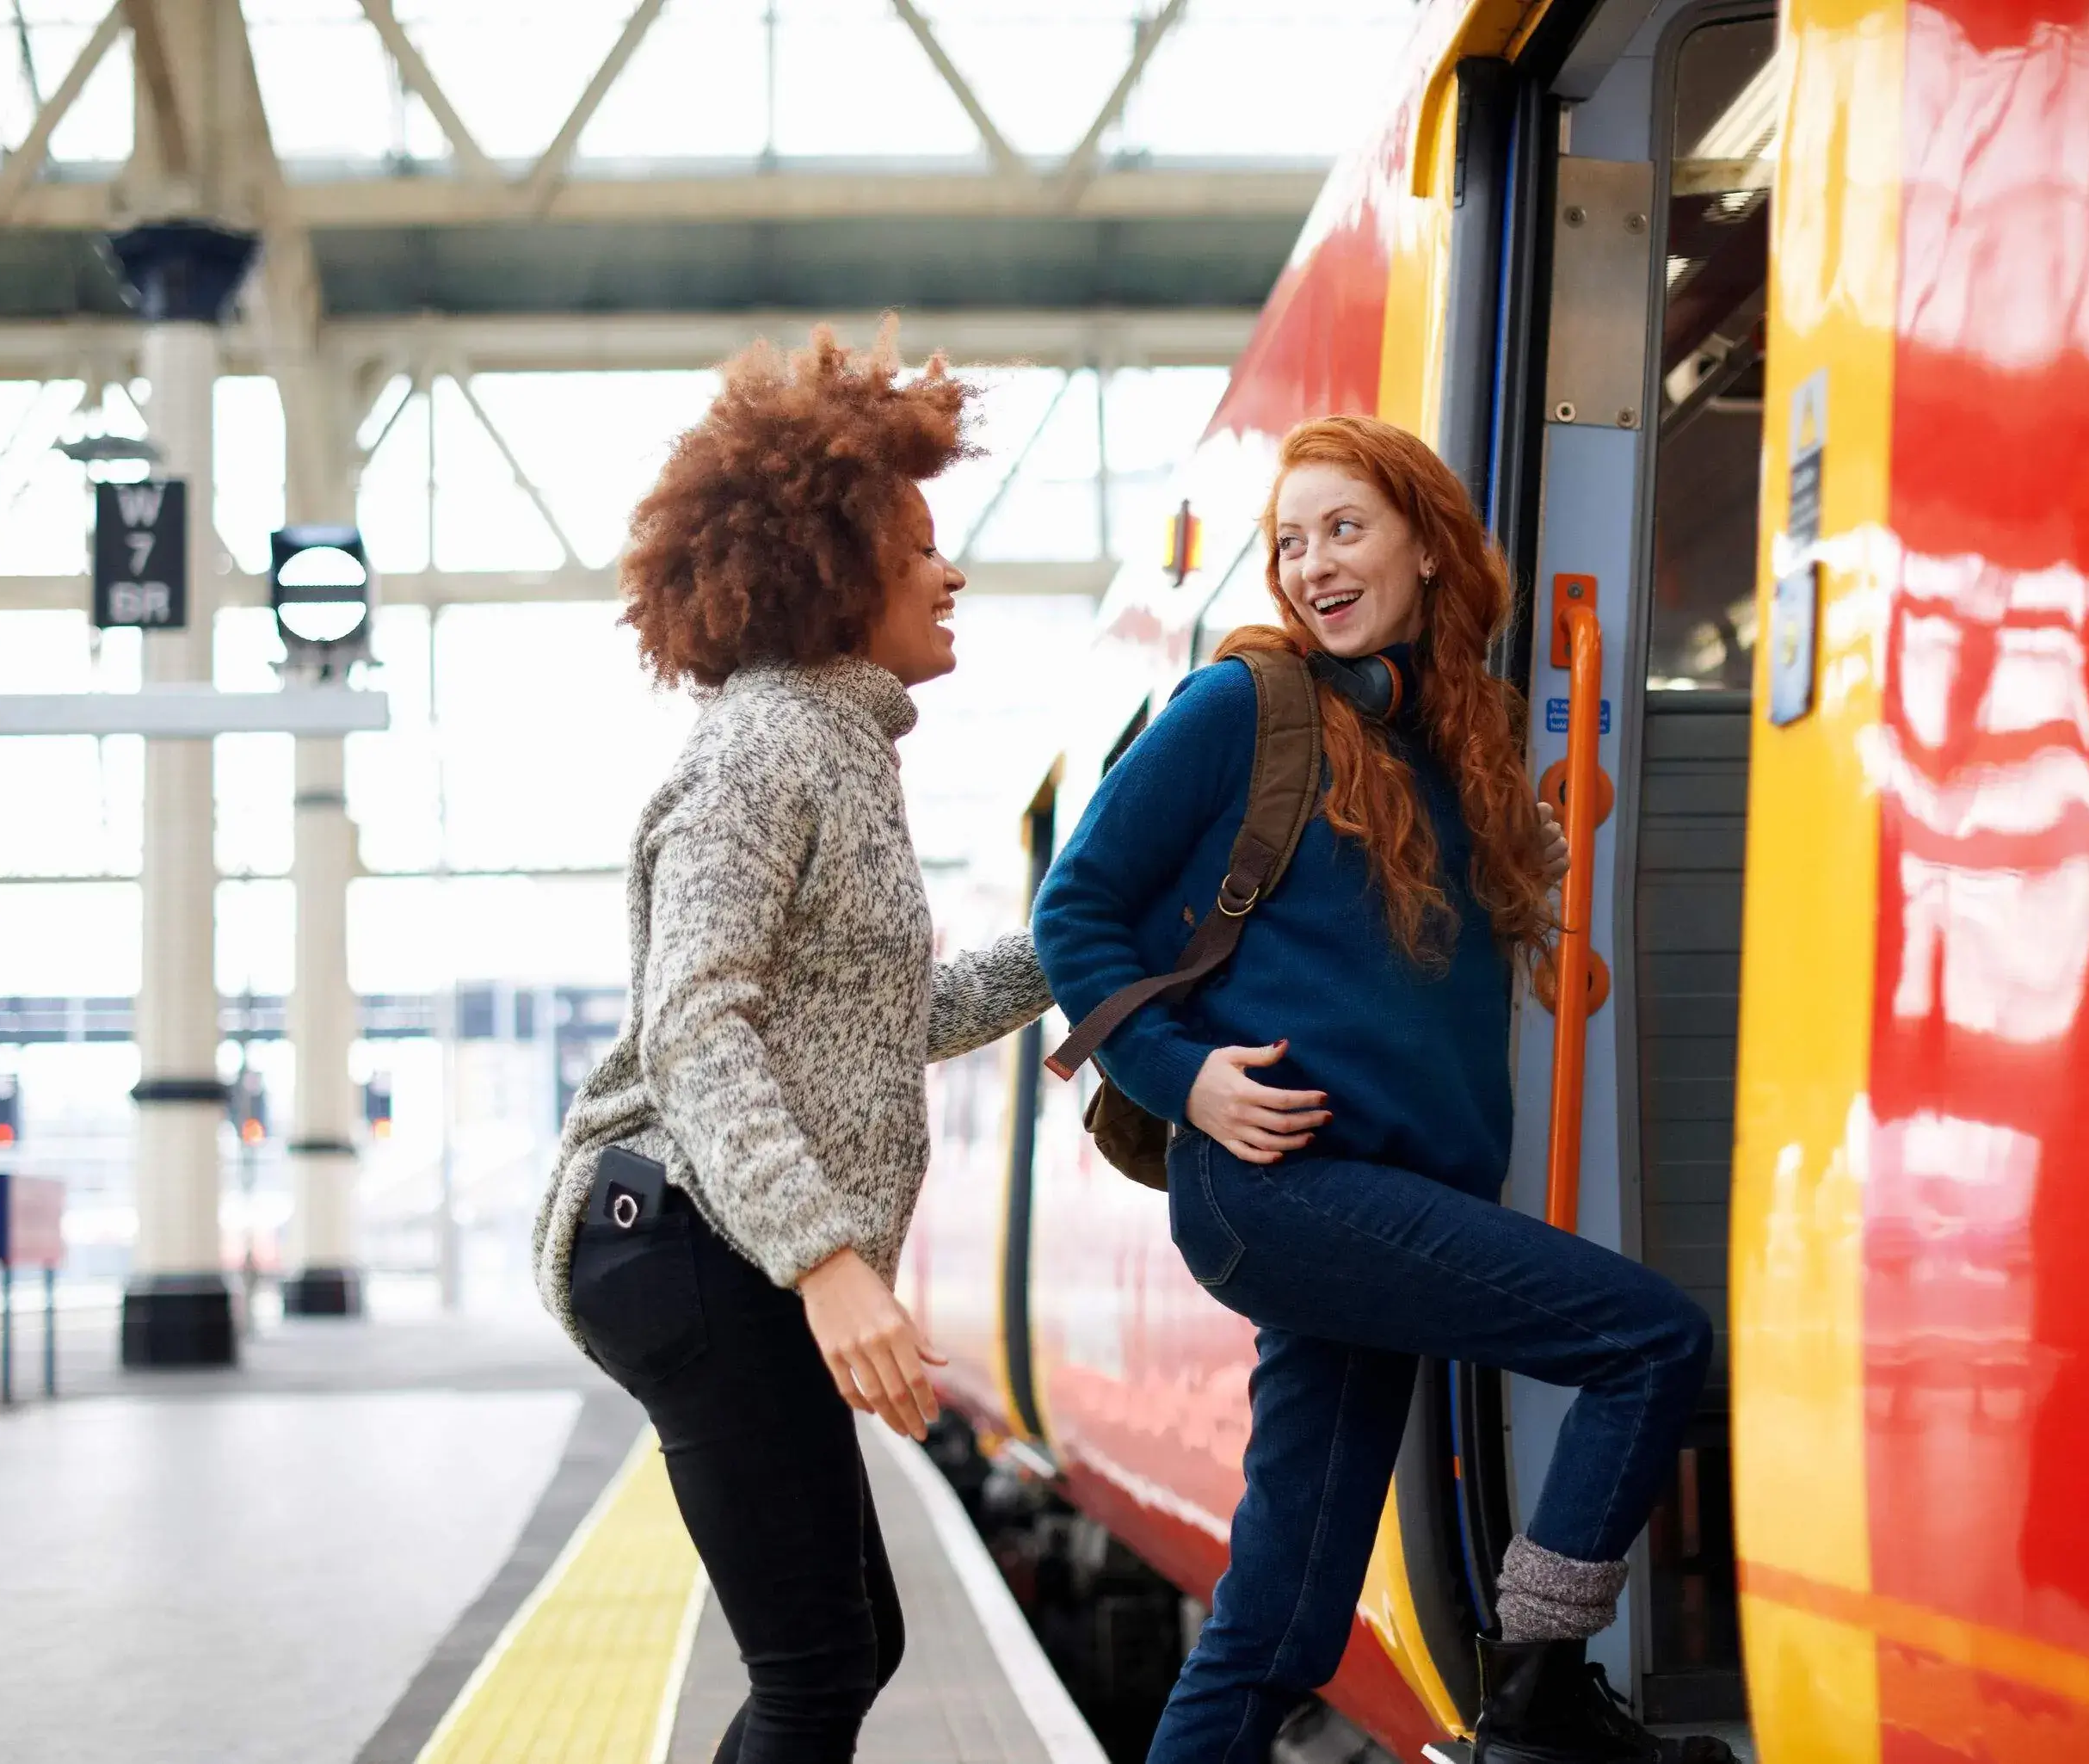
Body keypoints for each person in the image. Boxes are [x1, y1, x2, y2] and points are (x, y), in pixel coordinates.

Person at [1032, 415, 1729, 1764]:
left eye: (1342, 530)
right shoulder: (1240, 703)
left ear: (1425, 541)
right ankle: (1537, 1690)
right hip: (1279, 1185)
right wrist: (1186, 1083)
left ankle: (1520, 1696)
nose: (1310, 566)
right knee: (1651, 1342)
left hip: (1372, 1204)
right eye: (1288, 544)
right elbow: (1078, 909)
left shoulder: (1459, 726)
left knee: (1281, 1619)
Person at [533, 324, 1049, 1763]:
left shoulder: (840, 747)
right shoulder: (767, 748)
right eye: (919, 548)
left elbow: (885, 1018)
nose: (952, 575)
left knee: (852, 1647)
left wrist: (1084, 948)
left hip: (724, 1235)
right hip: (685, 1233)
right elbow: (696, 1022)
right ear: (832, 569)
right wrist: (829, 1265)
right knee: (819, 1666)